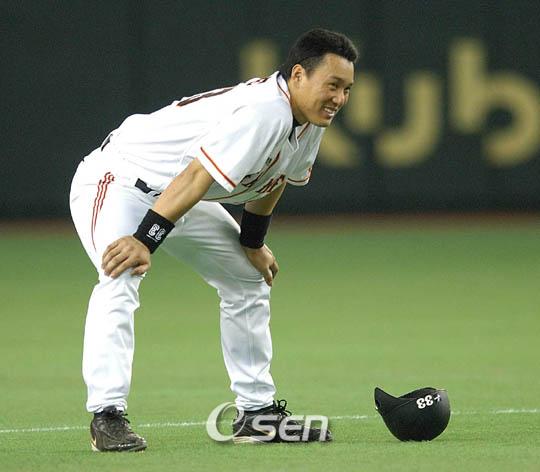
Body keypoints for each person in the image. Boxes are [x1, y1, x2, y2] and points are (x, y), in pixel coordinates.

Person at [70, 28, 357, 451]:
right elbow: (196, 176)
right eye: (332, 85)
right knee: (121, 272)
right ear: (298, 75)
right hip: (120, 181)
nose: (340, 98)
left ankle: (257, 415)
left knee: (247, 278)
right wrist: (145, 240)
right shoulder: (266, 111)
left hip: (179, 195)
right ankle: (106, 415)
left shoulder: (309, 120)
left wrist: (252, 242)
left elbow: (274, 179)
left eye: (347, 89)